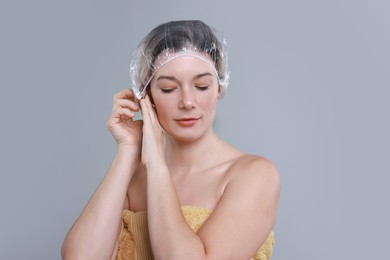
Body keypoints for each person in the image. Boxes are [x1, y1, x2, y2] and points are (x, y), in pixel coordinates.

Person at [61, 20, 280, 260]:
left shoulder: (253, 175)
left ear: (219, 88)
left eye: (201, 85)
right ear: (147, 95)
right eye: (168, 88)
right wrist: (128, 149)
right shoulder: (133, 179)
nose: (187, 101)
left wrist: (156, 166)